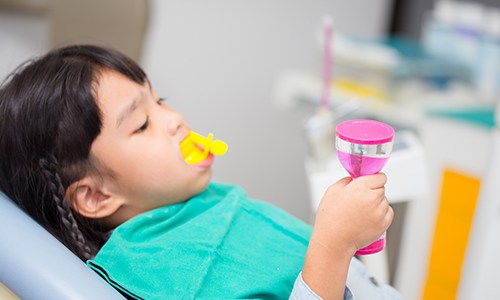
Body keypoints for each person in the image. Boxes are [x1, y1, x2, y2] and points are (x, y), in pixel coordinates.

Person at [0, 45, 400, 300]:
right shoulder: (166, 275)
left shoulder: (192, 206)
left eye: (161, 101)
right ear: (96, 197)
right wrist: (333, 246)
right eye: (141, 123)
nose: (174, 119)